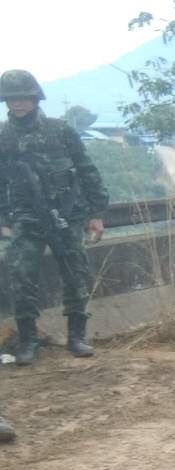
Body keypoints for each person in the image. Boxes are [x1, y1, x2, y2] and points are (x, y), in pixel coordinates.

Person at [1, 69, 108, 364]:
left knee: (76, 274)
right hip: (25, 218)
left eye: (23, 97)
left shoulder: (59, 130)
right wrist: (3, 219)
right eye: (11, 98)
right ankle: (29, 341)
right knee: (20, 276)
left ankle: (77, 337)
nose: (18, 103)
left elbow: (86, 170)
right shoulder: (3, 136)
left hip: (66, 215)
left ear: (35, 98)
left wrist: (96, 213)